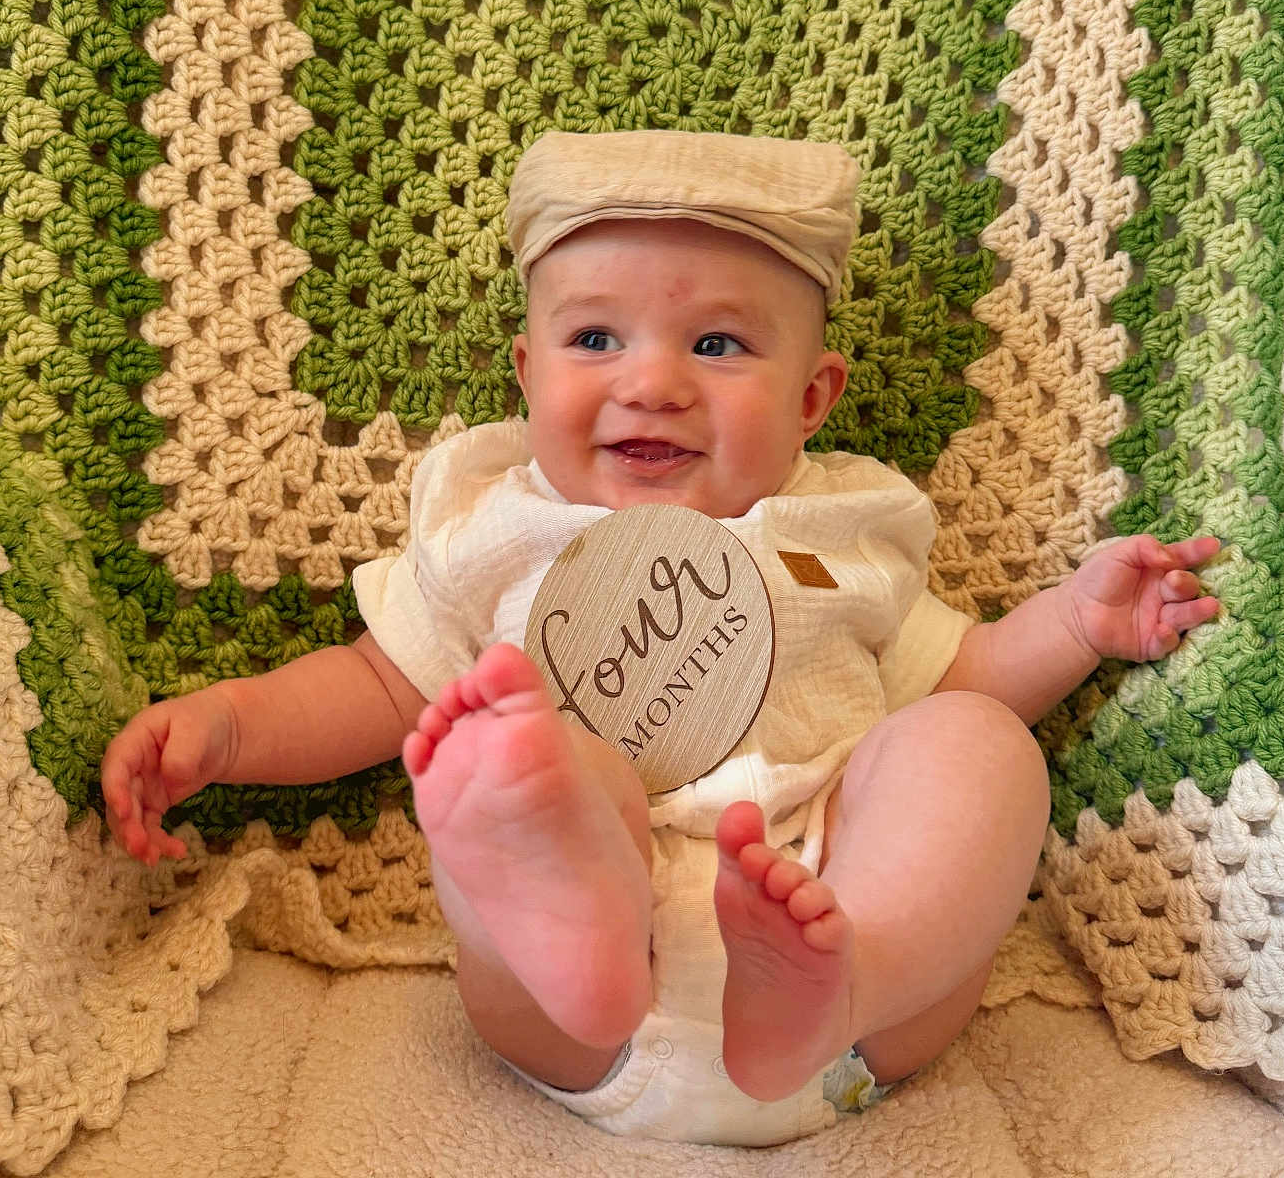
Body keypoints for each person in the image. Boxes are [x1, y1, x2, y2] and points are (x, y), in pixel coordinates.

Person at [102, 130, 1221, 1146]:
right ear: (526, 371)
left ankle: (852, 970)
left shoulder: (841, 534)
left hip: (846, 977)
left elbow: (961, 676)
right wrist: (229, 726)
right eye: (595, 336)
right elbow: (376, 683)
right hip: (583, 1014)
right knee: (522, 756)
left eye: (722, 345)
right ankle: (572, 924)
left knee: (974, 744)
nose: (652, 383)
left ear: (812, 398)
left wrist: (1074, 624)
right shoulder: (499, 530)